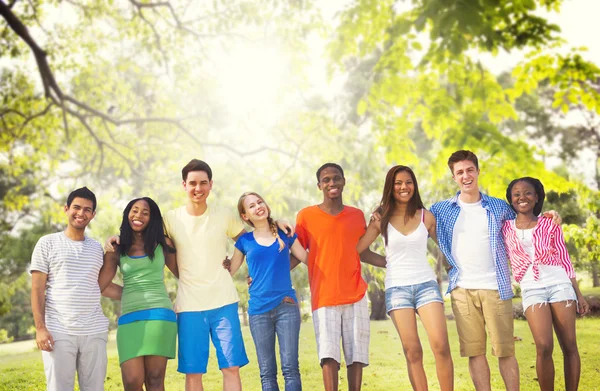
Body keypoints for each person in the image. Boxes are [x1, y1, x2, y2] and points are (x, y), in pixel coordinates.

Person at [105, 159, 293, 391]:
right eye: (192, 183)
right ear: (184, 185)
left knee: (231, 368)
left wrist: (275, 223)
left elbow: (254, 240)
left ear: (211, 184)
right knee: (193, 373)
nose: (198, 188)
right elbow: (140, 229)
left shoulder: (224, 215)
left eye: (203, 183)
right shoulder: (170, 219)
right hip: (189, 305)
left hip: (224, 301)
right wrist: (115, 237)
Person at [430, 150, 561, 391]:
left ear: (478, 171)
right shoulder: (441, 210)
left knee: (505, 350)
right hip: (461, 289)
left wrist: (547, 216)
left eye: (470, 170)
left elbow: (525, 221)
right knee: (474, 352)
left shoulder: (499, 207)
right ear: (453, 177)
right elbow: (415, 221)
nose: (466, 176)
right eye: (460, 172)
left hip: (496, 286)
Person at [357, 165, 453, 391]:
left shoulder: (425, 216)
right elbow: (360, 250)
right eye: (398, 183)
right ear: (390, 187)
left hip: (426, 285)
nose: (404, 187)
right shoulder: (381, 219)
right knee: (413, 351)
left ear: (414, 185)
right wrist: (386, 261)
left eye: (408, 182)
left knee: (441, 346)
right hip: (397, 288)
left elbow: (447, 248)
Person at [295, 163, 386, 391]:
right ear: (319, 185)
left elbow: (361, 251)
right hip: (324, 295)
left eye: (336, 178)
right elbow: (296, 254)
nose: (331, 183)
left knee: (356, 355)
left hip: (355, 293)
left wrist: (391, 263)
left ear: (344, 181)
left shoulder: (356, 215)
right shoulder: (306, 216)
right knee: (329, 355)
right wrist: (265, 275)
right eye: (326, 180)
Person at [502, 177, 589, 391]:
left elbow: (564, 258)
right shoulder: (505, 228)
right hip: (531, 288)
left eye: (528, 193)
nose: (522, 197)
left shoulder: (550, 223)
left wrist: (578, 294)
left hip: (560, 285)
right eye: (517, 194)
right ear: (511, 199)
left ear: (537, 196)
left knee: (569, 345)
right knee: (543, 346)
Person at [30, 187, 120, 391]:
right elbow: (37, 290)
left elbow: (100, 287)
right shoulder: (47, 243)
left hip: (94, 331)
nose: (81, 213)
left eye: (87, 210)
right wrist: (40, 328)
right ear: (66, 209)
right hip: (59, 332)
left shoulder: (96, 248)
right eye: (76, 207)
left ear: (93, 215)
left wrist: (137, 293)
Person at [227, 192, 308, 391]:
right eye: (251, 206)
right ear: (245, 216)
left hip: (286, 305)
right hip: (258, 311)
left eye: (260, 202)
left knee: (291, 369)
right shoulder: (244, 241)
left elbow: (306, 258)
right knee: (267, 373)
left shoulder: (284, 233)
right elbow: (230, 270)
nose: (258, 207)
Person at [98, 197, 179, 391]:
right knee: (132, 381)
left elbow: (184, 274)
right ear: (127, 214)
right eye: (134, 210)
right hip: (129, 319)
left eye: (145, 212)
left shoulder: (163, 244)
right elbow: (100, 285)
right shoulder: (116, 248)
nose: (139, 216)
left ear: (152, 219)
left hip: (160, 317)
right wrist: (131, 293)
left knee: (155, 379)